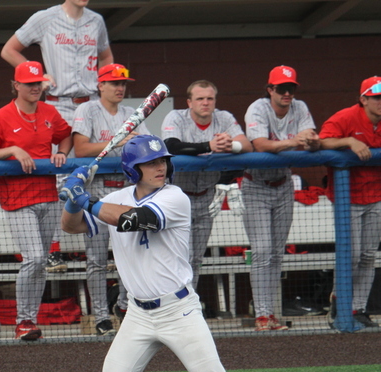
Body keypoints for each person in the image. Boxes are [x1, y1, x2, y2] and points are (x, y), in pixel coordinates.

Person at [57, 135, 274, 372]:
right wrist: (72, 198)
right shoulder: (116, 199)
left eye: (162, 161)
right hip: (138, 316)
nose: (160, 167)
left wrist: (87, 199)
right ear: (133, 169)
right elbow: (71, 226)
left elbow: (135, 220)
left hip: (179, 311)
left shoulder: (175, 198)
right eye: (150, 163)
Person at [1, 0, 113, 273]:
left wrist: (104, 83)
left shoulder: (96, 20)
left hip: (90, 101)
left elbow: (106, 57)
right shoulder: (46, 18)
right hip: (58, 101)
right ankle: (52, 249)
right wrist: (37, 75)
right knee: (58, 172)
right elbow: (9, 50)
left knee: (92, 172)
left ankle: (95, 249)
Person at [0, 61, 72, 341]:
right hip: (17, 199)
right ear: (16, 85)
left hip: (48, 197)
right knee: (36, 258)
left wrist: (61, 153)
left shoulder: (49, 112)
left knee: (41, 263)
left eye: (38, 83)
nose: (35, 88)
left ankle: (30, 320)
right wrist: (12, 150)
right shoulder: (0, 117)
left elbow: (65, 136)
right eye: (29, 84)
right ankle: (23, 320)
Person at [72, 64, 150, 334]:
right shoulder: (87, 109)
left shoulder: (131, 113)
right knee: (96, 259)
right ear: (100, 85)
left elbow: (146, 146)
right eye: (115, 83)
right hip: (97, 189)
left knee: (132, 252)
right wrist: (118, 142)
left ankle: (125, 305)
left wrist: (133, 143)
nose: (120, 88)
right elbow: (80, 149)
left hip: (127, 190)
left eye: (123, 83)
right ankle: (100, 317)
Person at [244, 65, 320, 331]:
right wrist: (294, 142)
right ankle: (261, 315)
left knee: (276, 253)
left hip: (283, 184)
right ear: (270, 89)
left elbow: (311, 139)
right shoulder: (258, 108)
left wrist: (310, 141)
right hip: (256, 185)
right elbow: (260, 144)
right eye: (281, 88)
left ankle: (270, 313)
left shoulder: (300, 107)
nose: (287, 93)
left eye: (291, 88)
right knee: (262, 251)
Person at [161, 80, 252, 289]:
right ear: (189, 102)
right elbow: (171, 146)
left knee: (196, 259)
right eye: (200, 98)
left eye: (210, 98)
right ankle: (176, 303)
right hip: (178, 197)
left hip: (206, 198)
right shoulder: (176, 117)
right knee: (180, 257)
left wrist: (230, 145)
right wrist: (208, 146)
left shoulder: (224, 117)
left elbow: (247, 145)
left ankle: (189, 302)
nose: (205, 102)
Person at [319, 76, 381, 328]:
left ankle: (359, 308)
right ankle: (340, 300)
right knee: (351, 255)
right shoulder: (345, 117)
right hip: (349, 197)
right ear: (363, 99)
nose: (380, 102)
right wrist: (349, 141)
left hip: (376, 195)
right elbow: (321, 142)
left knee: (368, 255)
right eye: (376, 98)